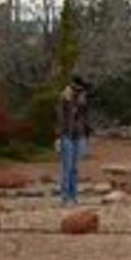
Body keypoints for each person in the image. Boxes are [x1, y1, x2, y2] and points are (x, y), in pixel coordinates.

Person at [56, 76, 92, 205]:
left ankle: (74, 195)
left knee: (75, 167)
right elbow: (60, 118)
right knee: (67, 167)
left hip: (78, 135)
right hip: (67, 135)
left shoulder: (82, 100)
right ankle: (65, 195)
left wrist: (86, 135)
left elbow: (85, 119)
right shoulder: (65, 98)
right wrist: (59, 136)